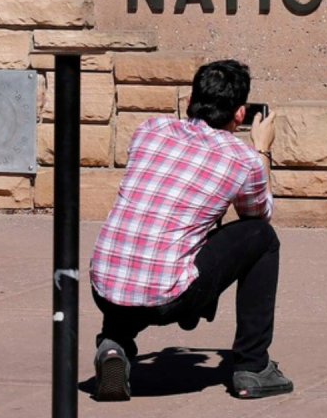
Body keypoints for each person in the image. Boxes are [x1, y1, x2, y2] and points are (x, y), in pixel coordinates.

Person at [88, 59, 292, 401]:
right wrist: (261, 149)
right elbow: (257, 215)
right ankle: (253, 368)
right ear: (240, 114)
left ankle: (114, 345)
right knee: (261, 239)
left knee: (153, 236)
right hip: (169, 297)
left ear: (188, 103)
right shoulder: (242, 158)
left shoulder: (150, 129)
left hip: (104, 285)